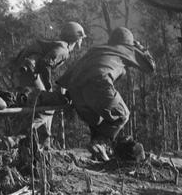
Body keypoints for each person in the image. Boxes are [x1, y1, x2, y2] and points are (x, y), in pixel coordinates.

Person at [57, 26, 155, 162]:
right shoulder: (127, 49)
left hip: (75, 90)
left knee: (98, 122)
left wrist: (66, 98)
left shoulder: (96, 50)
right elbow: (150, 67)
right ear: (127, 42)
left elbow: (64, 79)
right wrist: (140, 47)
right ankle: (100, 144)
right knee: (121, 114)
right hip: (98, 83)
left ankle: (99, 156)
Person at [7, 21, 86, 149]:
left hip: (22, 72)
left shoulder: (58, 45)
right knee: (49, 105)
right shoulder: (63, 50)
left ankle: (45, 142)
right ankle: (18, 138)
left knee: (46, 106)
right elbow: (45, 64)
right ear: (75, 40)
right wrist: (49, 87)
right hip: (28, 73)